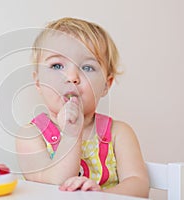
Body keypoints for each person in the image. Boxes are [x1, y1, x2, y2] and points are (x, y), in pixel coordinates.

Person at [15, 17, 149, 198]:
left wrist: (101, 196)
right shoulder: (30, 135)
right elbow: (54, 186)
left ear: (106, 85)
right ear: (38, 82)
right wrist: (71, 133)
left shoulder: (119, 133)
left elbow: (139, 186)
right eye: (57, 65)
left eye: (87, 67)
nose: (72, 76)